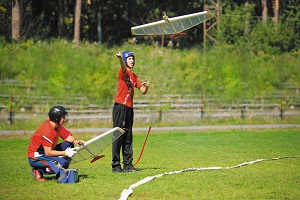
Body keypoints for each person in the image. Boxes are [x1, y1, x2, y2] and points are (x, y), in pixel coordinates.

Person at [112, 50, 149, 173]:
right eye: (129, 58)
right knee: (118, 136)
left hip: (129, 108)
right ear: (124, 59)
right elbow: (122, 66)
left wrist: (147, 86)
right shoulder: (123, 72)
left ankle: (128, 164)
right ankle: (116, 166)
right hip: (120, 107)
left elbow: (142, 91)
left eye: (133, 58)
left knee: (128, 137)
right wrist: (120, 59)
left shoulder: (135, 76)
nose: (132, 60)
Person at [27, 105, 85, 181]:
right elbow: (48, 153)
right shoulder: (48, 130)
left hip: (46, 152)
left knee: (69, 144)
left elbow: (67, 137)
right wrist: (65, 153)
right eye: (63, 117)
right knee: (63, 163)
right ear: (56, 118)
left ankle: (59, 171)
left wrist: (76, 141)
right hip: (36, 157)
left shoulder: (57, 126)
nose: (65, 119)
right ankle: (39, 171)